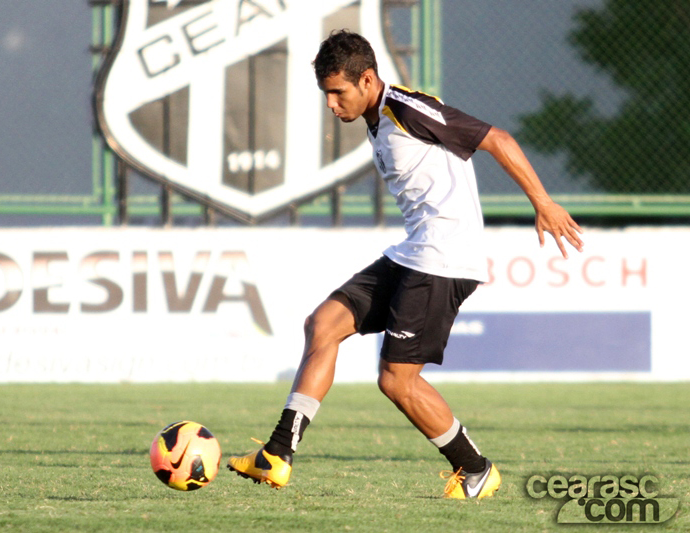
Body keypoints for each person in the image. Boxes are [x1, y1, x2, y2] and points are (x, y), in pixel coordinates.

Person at [228, 30, 584, 499]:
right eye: (326, 94)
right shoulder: (376, 120)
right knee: (324, 323)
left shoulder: (407, 108)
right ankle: (276, 454)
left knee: (397, 381)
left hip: (444, 259)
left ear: (368, 79)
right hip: (414, 252)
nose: (332, 105)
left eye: (338, 92)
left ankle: (476, 470)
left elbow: (497, 138)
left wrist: (544, 203)